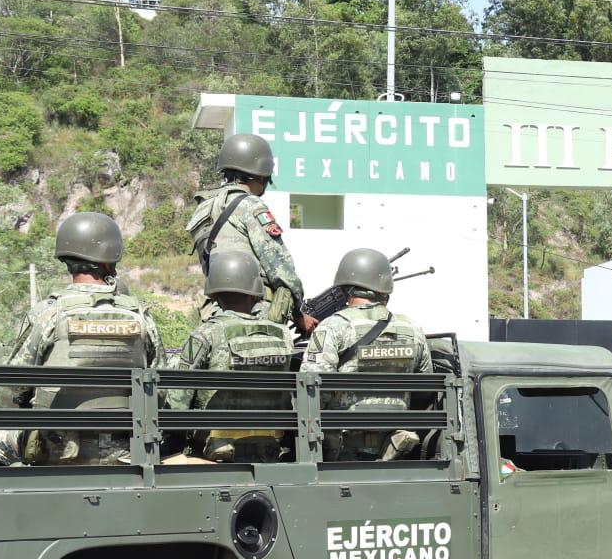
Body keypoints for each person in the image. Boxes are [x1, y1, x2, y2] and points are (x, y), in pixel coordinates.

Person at [5, 212, 163, 465]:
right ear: (111, 258)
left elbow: (15, 385)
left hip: (58, 453)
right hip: (127, 453)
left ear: (67, 259)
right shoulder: (141, 318)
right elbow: (159, 384)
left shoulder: (48, 314)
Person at [302, 247, 431, 461]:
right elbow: (425, 390)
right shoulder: (413, 330)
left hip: (341, 452)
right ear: (385, 290)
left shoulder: (333, 327)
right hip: (396, 450)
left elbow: (313, 392)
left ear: (345, 289)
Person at [166, 250, 295, 462]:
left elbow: (179, 398)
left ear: (214, 295)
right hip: (271, 446)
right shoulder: (282, 334)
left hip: (214, 450)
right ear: (255, 293)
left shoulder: (206, 333)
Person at [186, 132, 317, 338]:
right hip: (255, 312)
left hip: (215, 311)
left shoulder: (203, 209)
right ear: (260, 174)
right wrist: (297, 312)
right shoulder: (250, 206)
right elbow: (280, 267)